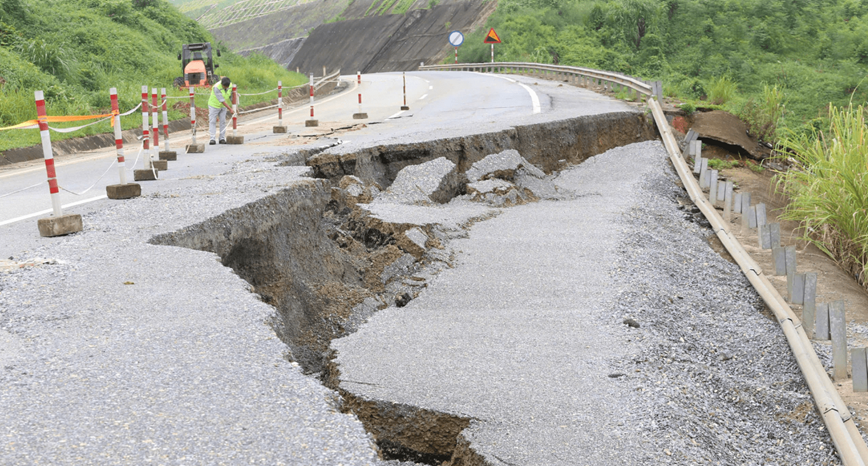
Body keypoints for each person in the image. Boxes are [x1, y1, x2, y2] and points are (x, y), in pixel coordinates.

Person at [208, 77, 233, 145]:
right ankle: (212, 139)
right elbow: (221, 100)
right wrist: (230, 109)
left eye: (226, 87)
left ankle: (222, 138)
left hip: (223, 107)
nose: (225, 88)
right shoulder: (216, 87)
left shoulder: (230, 85)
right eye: (224, 86)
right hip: (214, 106)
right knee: (212, 121)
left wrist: (235, 106)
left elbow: (232, 96)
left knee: (223, 121)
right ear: (222, 84)